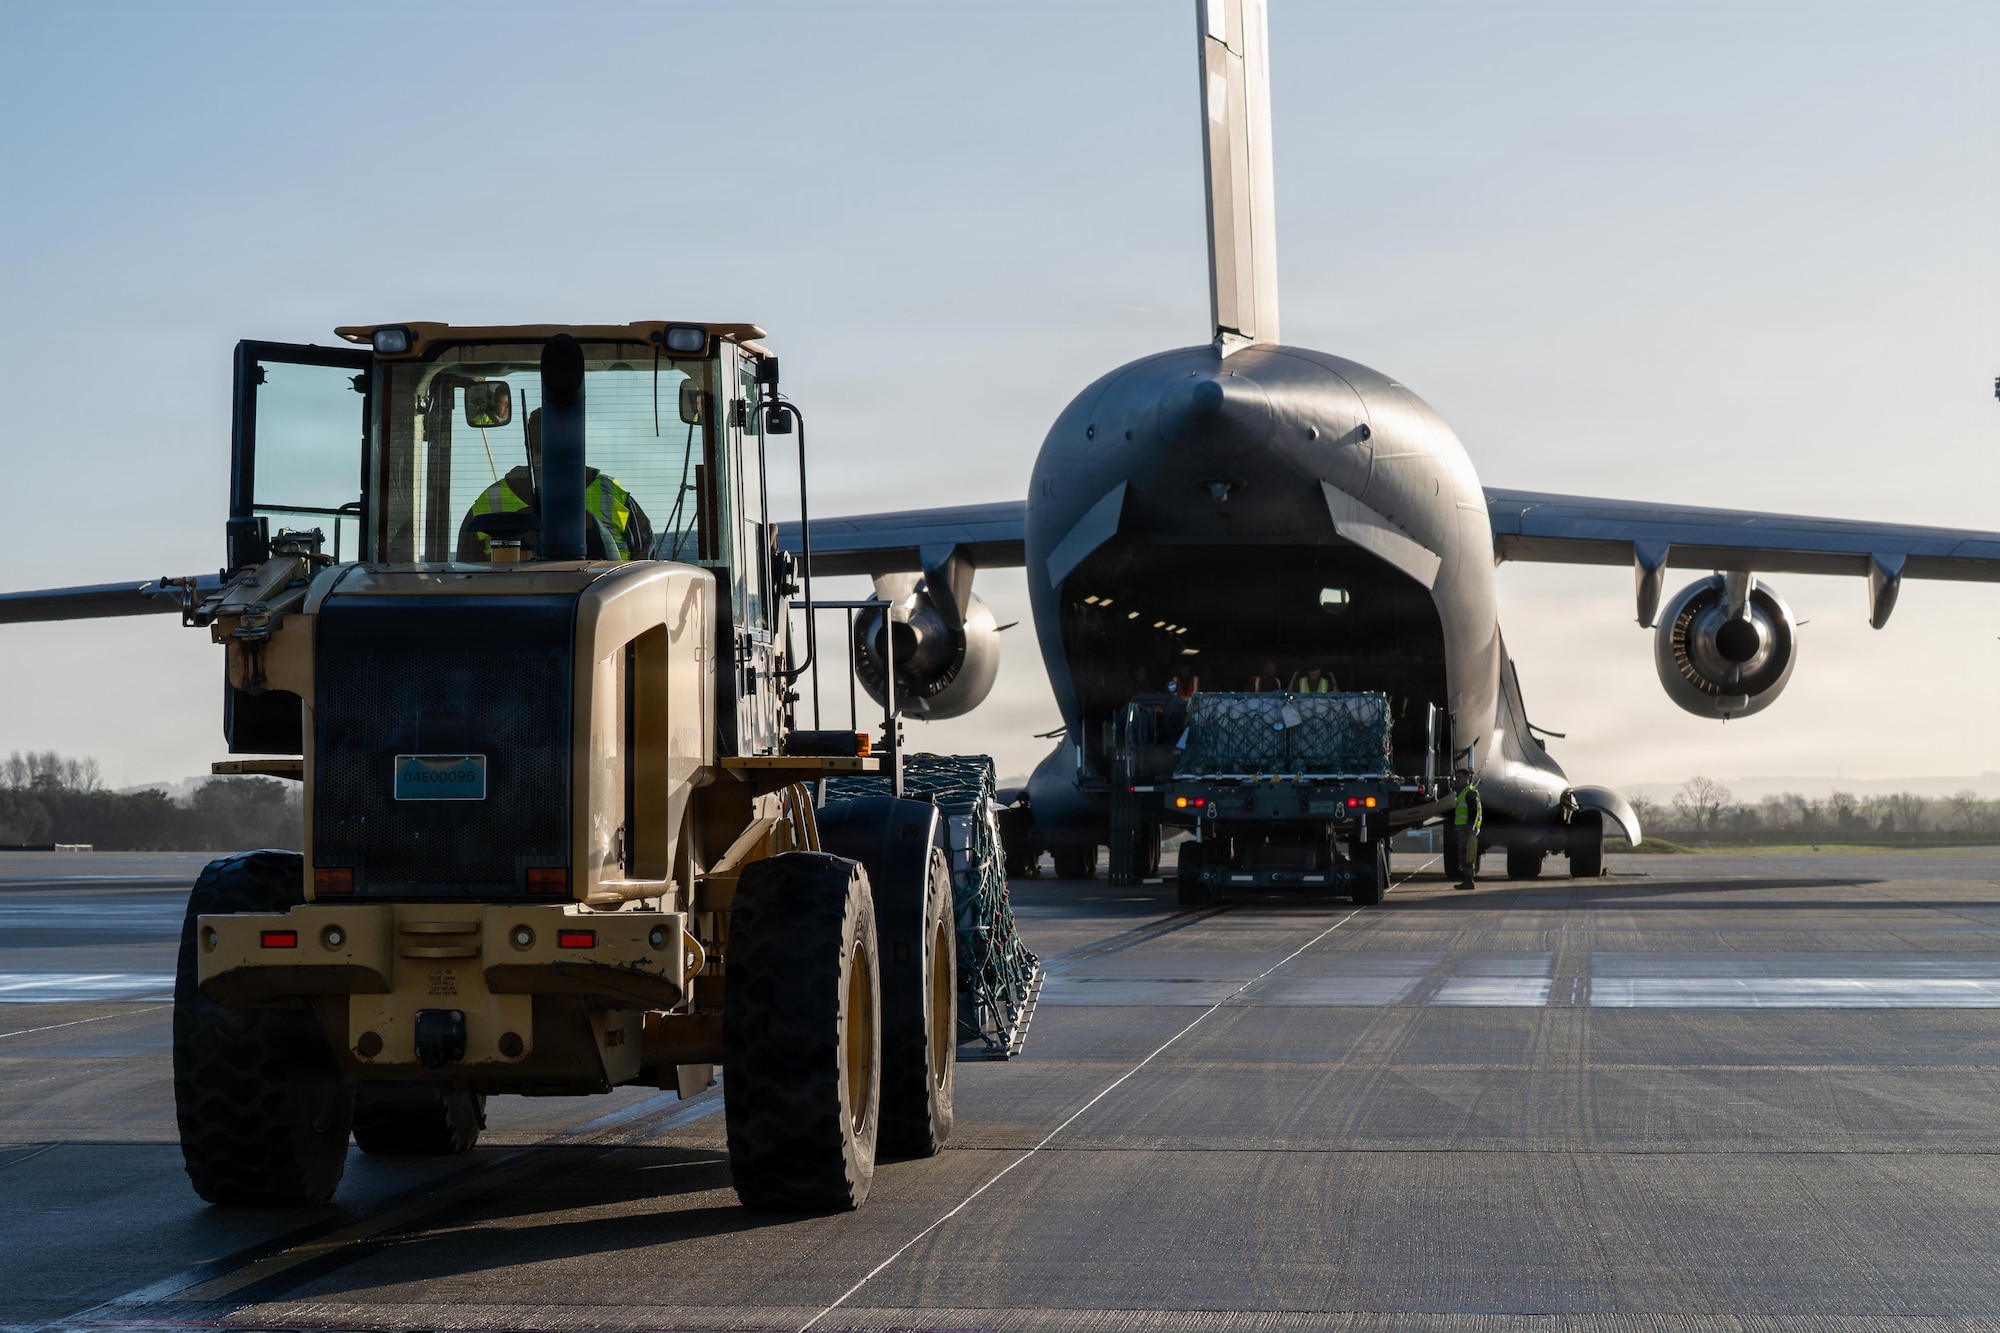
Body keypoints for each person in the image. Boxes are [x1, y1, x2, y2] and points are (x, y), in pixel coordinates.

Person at [455, 408, 654, 562]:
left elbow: (465, 574)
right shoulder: (612, 495)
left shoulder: (489, 500)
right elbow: (645, 564)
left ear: (527, 444)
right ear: (577, 442)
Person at [1452, 768, 1483, 890]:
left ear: (1467, 779)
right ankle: (1467, 879)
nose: (1457, 780)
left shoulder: (1469, 793)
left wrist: (1470, 828)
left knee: (1467, 856)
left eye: (1460, 778)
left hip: (1466, 829)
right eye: (1456, 778)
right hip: (1463, 829)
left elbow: (1473, 812)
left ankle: (1469, 880)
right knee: (1464, 855)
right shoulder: (1464, 792)